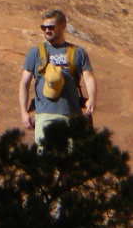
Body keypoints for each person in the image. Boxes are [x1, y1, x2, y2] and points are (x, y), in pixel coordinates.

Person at [19, 9, 97, 143]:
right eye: (44, 27)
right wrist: (23, 112)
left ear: (63, 26)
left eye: (51, 27)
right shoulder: (36, 52)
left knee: (72, 160)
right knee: (46, 159)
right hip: (45, 115)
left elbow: (89, 78)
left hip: (72, 116)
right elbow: (24, 83)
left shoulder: (77, 52)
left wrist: (92, 98)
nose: (47, 31)